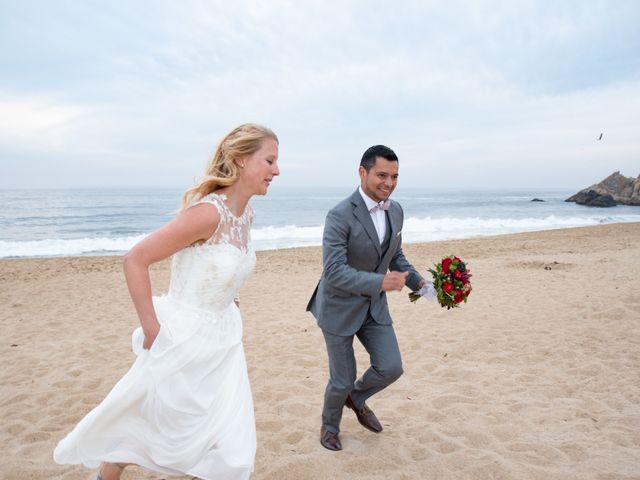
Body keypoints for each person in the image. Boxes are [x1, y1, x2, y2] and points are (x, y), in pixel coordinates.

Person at [53, 124, 280, 480]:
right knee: (144, 417)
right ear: (240, 159)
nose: (276, 171)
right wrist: (151, 328)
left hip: (224, 341)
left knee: (232, 446)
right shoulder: (208, 213)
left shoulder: (246, 215)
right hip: (183, 336)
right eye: (269, 161)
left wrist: (229, 297)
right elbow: (135, 259)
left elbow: (224, 264)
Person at [306, 145, 425, 451]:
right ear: (363, 173)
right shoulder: (339, 215)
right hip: (338, 307)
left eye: (395, 176)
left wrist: (423, 286)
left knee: (391, 367)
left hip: (374, 307)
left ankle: (356, 399)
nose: (389, 182)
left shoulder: (396, 210)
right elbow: (333, 271)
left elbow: (395, 255)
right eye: (382, 175)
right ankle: (330, 426)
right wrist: (381, 281)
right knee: (341, 379)